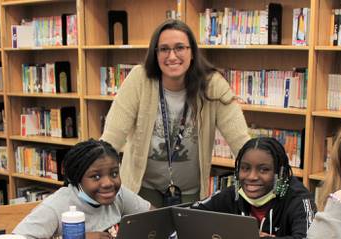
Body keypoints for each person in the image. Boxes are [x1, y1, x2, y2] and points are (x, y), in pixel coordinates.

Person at [100, 19, 250, 206]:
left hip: (190, 191)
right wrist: (93, 171)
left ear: (192, 52)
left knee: (187, 235)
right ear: (155, 54)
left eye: (179, 48)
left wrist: (264, 170)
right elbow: (112, 137)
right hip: (142, 189)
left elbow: (242, 142)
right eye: (164, 49)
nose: (172, 56)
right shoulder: (139, 79)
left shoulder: (213, 84)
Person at [13, 139, 150, 239]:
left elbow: (155, 216)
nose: (108, 183)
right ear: (77, 178)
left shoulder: (119, 194)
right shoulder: (57, 205)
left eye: (114, 174)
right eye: (96, 177)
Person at [192, 136, 315, 239]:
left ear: (280, 172)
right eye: (245, 168)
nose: (252, 177)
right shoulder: (234, 193)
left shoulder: (298, 198)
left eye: (264, 169)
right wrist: (240, 236)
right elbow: (189, 216)